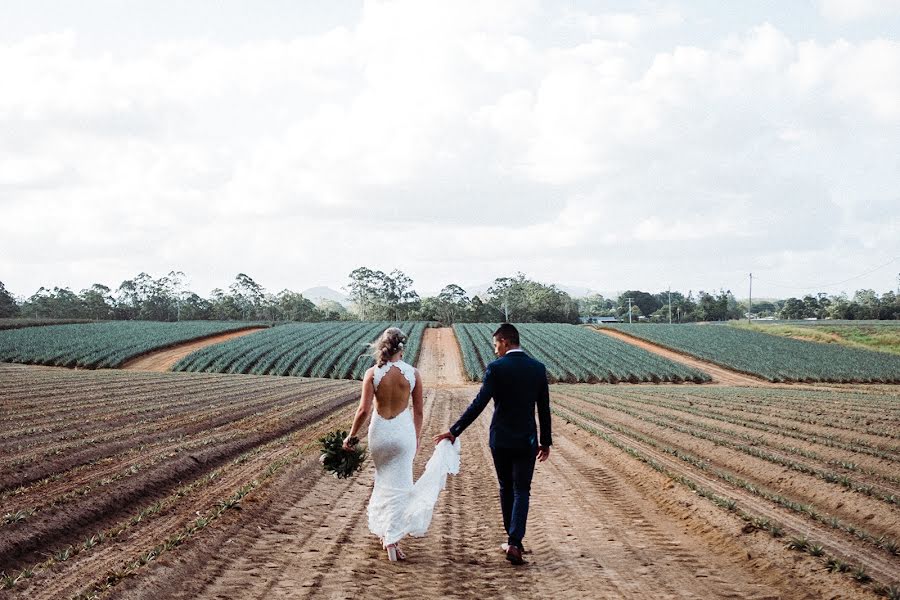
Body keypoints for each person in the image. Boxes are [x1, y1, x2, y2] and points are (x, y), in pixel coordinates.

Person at [434, 323, 551, 565]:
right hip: (527, 440)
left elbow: (479, 403)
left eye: (496, 344)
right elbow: (544, 409)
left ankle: (512, 541)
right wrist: (545, 441)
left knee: (506, 487)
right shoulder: (538, 369)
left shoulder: (496, 369)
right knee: (522, 490)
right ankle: (515, 541)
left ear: (506, 341)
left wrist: (455, 431)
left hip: (500, 439)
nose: (495, 349)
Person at [344, 327, 460, 562]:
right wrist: (415, 438)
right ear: (402, 348)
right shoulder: (412, 373)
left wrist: (351, 436)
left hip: (380, 434)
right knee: (402, 485)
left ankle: (387, 532)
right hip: (403, 433)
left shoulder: (372, 373)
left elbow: (363, 410)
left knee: (384, 481)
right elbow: (418, 411)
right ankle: (392, 538)